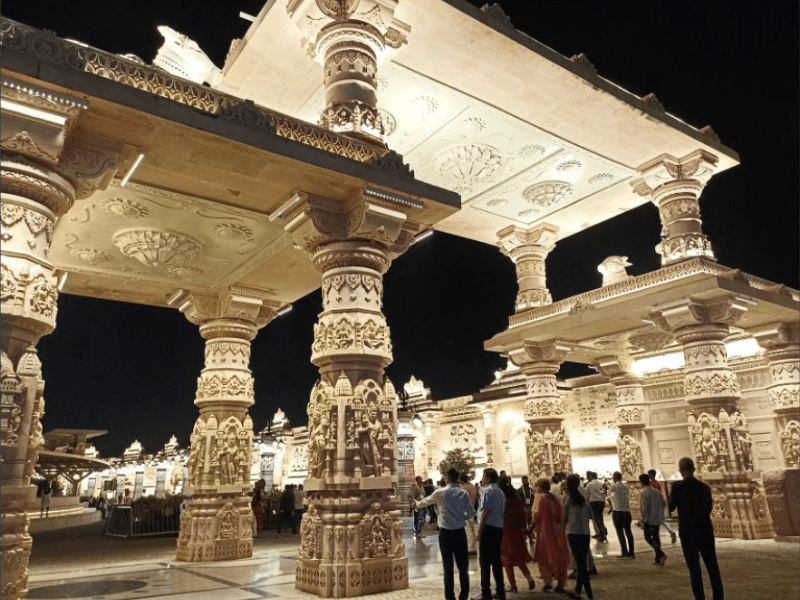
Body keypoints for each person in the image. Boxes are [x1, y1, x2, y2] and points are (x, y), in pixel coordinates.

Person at [413, 467, 475, 600]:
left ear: (446, 479)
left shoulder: (439, 493)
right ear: (457, 478)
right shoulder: (463, 493)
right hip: (459, 533)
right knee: (463, 567)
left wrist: (416, 504)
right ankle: (463, 596)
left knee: (448, 568)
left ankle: (450, 597)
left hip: (445, 535)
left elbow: (425, 502)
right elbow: (470, 513)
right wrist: (459, 517)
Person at [668, 457, 725, 600]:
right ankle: (718, 597)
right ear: (694, 469)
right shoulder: (704, 487)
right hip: (705, 529)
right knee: (712, 566)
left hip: (687, 531)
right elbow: (709, 507)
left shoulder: (677, 487)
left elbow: (670, 506)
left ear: (680, 471)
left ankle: (700, 597)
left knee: (694, 568)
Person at [473, 468, 506, 600]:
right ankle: (500, 590)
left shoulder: (487, 491)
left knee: (485, 562)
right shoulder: (500, 492)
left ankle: (485, 592)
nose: (482, 479)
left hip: (488, 529)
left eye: (483, 476)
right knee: (496, 561)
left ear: (487, 477)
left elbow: (486, 511)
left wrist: (479, 531)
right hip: (498, 528)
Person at [499, 477, 535, 592]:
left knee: (507, 559)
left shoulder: (501, 500)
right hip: (518, 531)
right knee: (519, 557)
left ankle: (513, 585)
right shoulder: (516, 497)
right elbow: (523, 514)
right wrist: (524, 529)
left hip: (506, 531)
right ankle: (528, 577)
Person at [532, 478, 569, 593]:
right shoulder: (555, 497)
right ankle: (561, 584)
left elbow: (535, 516)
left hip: (545, 531)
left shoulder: (539, 498)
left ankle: (548, 583)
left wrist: (531, 528)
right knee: (559, 556)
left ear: (539, 487)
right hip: (557, 531)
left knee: (544, 556)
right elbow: (562, 514)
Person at [563, 474, 593, 600]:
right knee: (582, 562)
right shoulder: (584, 500)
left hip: (573, 533)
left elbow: (564, 518)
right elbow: (591, 516)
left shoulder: (567, 498)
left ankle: (589, 594)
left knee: (580, 564)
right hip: (585, 533)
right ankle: (577, 590)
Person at [637, 473, 667, 566]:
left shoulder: (644, 493)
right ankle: (658, 559)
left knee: (647, 537)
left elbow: (644, 508)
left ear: (641, 482)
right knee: (656, 537)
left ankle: (661, 554)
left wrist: (642, 520)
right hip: (657, 518)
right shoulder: (656, 492)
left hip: (648, 519)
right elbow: (663, 504)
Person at [606, 471, 634, 559]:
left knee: (620, 532)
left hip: (618, 512)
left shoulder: (613, 486)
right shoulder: (626, 486)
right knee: (629, 532)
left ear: (614, 478)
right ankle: (632, 553)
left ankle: (624, 552)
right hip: (627, 511)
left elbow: (609, 497)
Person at [648, 469, 678, 544]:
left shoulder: (651, 484)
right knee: (661, 521)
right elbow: (662, 493)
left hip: (655, 505)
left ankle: (657, 537)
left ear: (651, 475)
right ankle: (671, 532)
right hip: (660, 503)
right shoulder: (658, 483)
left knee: (657, 522)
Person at [459, 473, 479, 555]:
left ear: (462, 480)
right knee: (473, 531)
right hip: (472, 508)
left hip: (466, 511)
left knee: (468, 531)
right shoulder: (472, 486)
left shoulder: (463, 488)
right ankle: (473, 547)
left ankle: (471, 549)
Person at [585, 472, 607, 542]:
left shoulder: (589, 484)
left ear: (591, 477)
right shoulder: (601, 484)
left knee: (596, 518)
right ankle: (603, 531)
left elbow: (586, 494)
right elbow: (605, 493)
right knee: (600, 517)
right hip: (601, 502)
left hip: (593, 502)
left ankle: (602, 534)